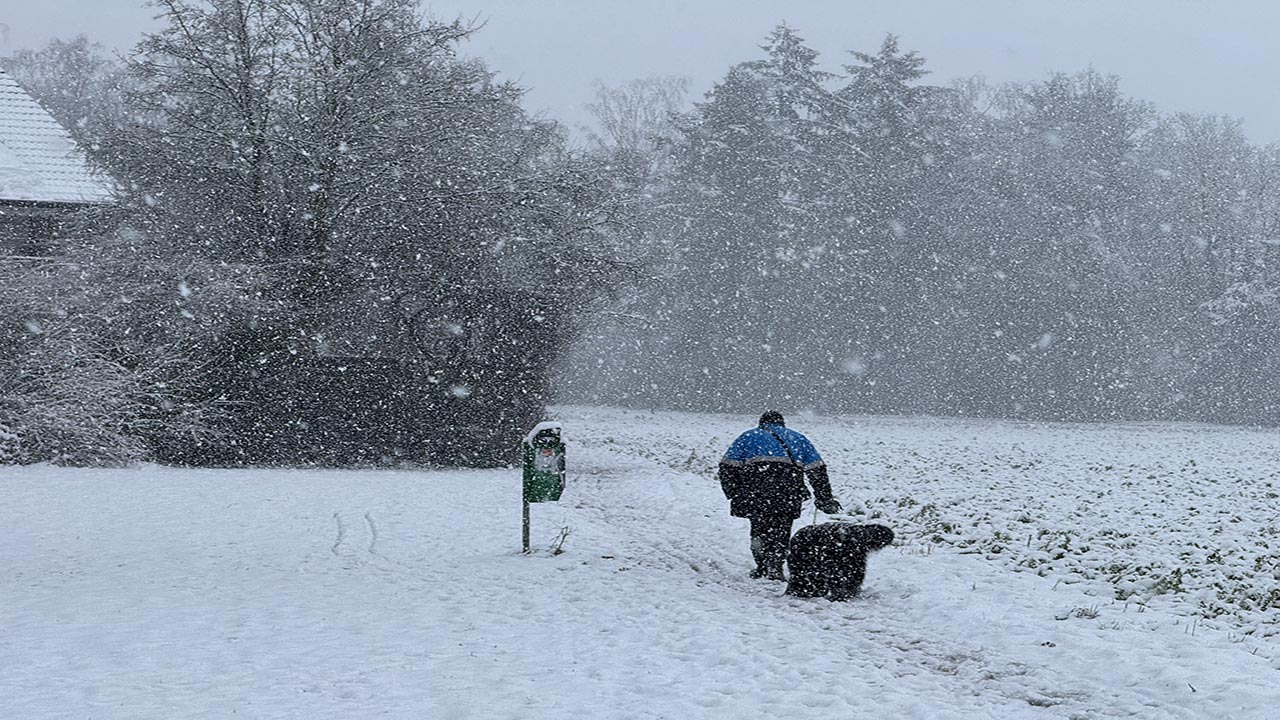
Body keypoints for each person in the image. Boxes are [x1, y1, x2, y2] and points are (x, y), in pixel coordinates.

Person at [718, 410, 843, 580]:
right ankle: (776, 565)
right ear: (782, 423)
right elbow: (817, 469)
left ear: (761, 423)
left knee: (759, 528)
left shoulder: (748, 436)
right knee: (782, 529)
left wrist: (733, 491)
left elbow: (727, 466)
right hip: (788, 491)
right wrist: (823, 497)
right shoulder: (798, 438)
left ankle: (762, 566)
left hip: (756, 492)